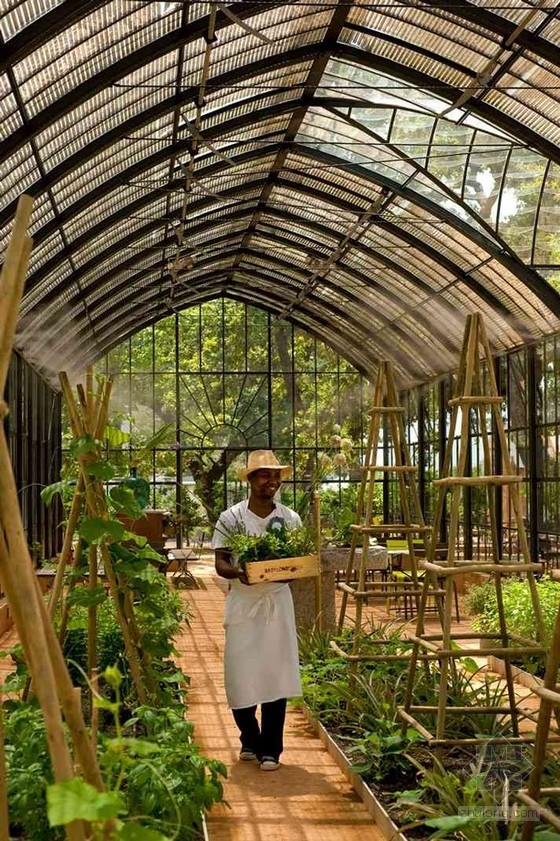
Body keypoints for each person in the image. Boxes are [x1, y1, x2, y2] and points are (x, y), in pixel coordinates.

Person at [212, 450, 302, 772]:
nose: (272, 481)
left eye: (276, 475)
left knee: (275, 674)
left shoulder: (290, 519)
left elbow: (295, 563)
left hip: (277, 603)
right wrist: (239, 573)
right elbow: (220, 562)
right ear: (250, 479)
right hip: (244, 603)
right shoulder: (231, 518)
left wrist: (287, 571)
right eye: (265, 474)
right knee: (240, 674)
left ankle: (271, 749)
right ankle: (249, 735)